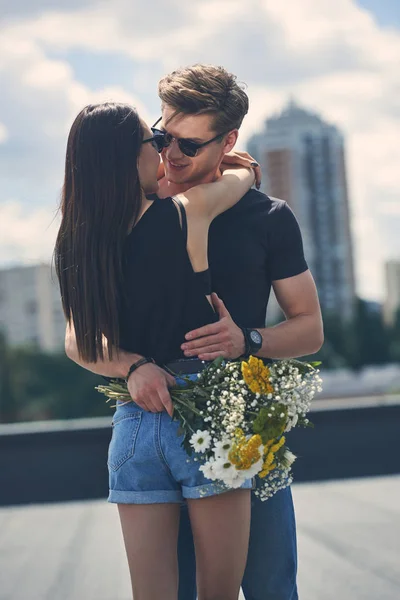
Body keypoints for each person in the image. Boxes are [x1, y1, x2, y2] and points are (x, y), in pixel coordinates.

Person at [66, 65, 324, 600]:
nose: (171, 155)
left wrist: (248, 340)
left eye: (189, 143)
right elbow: (78, 335)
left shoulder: (269, 218)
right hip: (160, 413)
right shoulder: (137, 209)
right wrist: (131, 367)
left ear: (228, 141)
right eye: (161, 136)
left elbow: (310, 329)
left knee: (271, 585)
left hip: (241, 421)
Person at [55, 101, 260, 600]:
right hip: (205, 409)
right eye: (156, 141)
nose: (164, 150)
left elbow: (76, 340)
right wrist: (246, 165)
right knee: (219, 593)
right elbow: (240, 181)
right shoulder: (183, 215)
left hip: (134, 420)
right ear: (132, 158)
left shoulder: (75, 241)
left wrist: (134, 367)